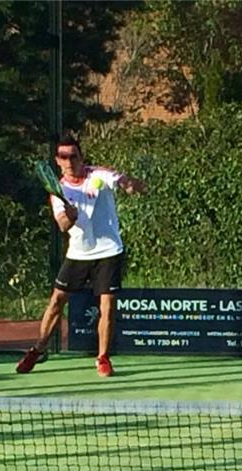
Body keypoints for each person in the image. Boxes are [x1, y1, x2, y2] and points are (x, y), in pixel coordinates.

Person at [16, 133, 146, 377]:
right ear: (57, 160)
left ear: (81, 157)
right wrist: (71, 217)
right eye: (63, 157)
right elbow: (63, 225)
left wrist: (130, 185)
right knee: (56, 302)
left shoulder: (98, 175)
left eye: (73, 156)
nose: (69, 161)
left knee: (107, 305)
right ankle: (38, 349)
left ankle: (103, 357)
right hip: (78, 253)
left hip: (108, 251)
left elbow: (119, 180)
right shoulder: (58, 191)